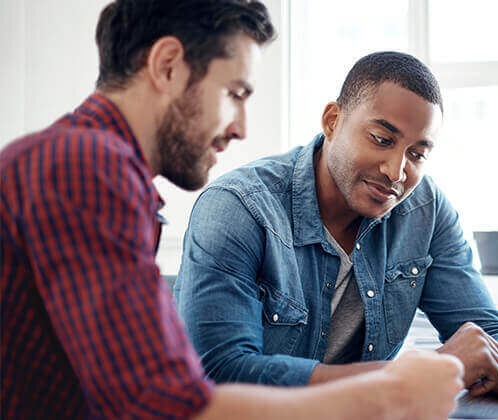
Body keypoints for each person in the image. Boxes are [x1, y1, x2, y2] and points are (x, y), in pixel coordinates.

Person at [0, 2, 464, 419]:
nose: (241, 128)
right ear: (167, 67)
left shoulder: (88, 166)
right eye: (236, 94)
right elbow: (163, 401)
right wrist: (387, 391)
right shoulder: (84, 167)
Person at [175, 51, 498, 417]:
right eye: (382, 139)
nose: (397, 172)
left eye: (418, 153)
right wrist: (418, 375)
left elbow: (483, 328)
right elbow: (220, 374)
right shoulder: (237, 208)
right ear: (332, 121)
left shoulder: (424, 209)